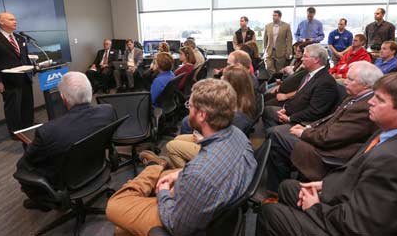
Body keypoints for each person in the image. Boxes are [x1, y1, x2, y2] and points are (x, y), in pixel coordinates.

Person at [257, 73, 397, 236]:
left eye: (379, 99)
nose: (371, 102)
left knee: (271, 213)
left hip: (357, 226)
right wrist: (324, 185)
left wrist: (313, 208)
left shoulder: (395, 161)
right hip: (359, 205)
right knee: (289, 187)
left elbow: (359, 228)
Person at [106, 79, 257, 236]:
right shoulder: (239, 136)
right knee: (122, 230)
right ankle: (156, 168)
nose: (188, 110)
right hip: (212, 201)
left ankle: (153, 167)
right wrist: (178, 174)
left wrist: (164, 193)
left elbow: (175, 225)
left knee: (115, 205)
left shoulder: (198, 173)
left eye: (190, 106)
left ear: (202, 115)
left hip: (183, 222)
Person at [265, 61, 382, 193]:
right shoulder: (355, 97)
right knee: (276, 132)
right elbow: (330, 119)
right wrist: (308, 127)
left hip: (330, 151)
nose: (345, 82)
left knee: (276, 134)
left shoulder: (365, 106)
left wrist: (304, 133)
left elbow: (330, 137)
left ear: (366, 84)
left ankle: (276, 190)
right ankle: (283, 186)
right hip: (323, 135)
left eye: (350, 79)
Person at [15, 72, 116, 211]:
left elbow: (29, 161)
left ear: (63, 98)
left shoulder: (48, 131)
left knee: (22, 168)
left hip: (67, 183)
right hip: (98, 167)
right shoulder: (108, 111)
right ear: (90, 91)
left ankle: (47, 201)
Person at [166, 65, 256, 168]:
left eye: (223, 77)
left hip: (218, 153)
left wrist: (202, 139)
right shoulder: (243, 102)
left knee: (172, 146)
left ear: (232, 84)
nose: (220, 78)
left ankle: (187, 170)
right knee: (178, 138)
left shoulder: (238, 117)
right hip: (217, 140)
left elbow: (224, 145)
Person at [0, 12, 34, 139]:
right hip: (8, 81)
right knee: (13, 108)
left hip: (25, 78)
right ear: (1, 22)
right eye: (11, 19)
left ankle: (29, 128)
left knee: (27, 105)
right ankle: (17, 133)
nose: (15, 21)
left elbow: (24, 57)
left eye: (15, 19)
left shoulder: (20, 38)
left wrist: (32, 71)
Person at [262, 44, 339, 129]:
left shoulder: (326, 82)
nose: (302, 59)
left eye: (305, 56)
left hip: (302, 122)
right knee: (266, 110)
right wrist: (285, 109)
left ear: (316, 60)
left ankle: (280, 136)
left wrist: (289, 118)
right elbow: (298, 97)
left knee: (271, 123)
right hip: (292, 111)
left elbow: (315, 111)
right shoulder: (309, 75)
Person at [264, 10, 293, 75]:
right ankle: (274, 78)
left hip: (281, 52)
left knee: (279, 70)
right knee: (268, 67)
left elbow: (289, 40)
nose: (273, 17)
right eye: (273, 15)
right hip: (269, 52)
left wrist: (288, 52)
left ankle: (277, 82)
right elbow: (265, 39)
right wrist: (265, 49)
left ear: (280, 16)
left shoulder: (286, 26)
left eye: (275, 15)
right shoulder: (268, 26)